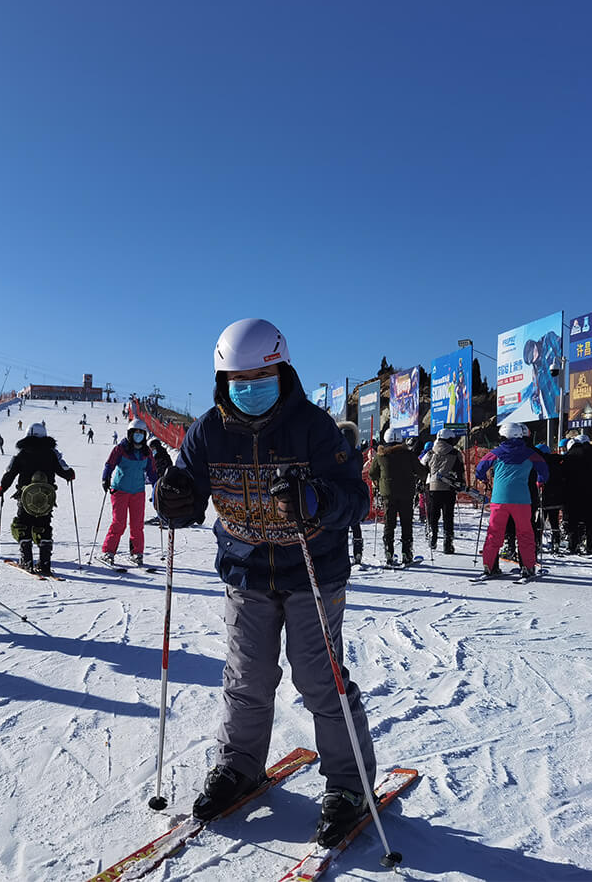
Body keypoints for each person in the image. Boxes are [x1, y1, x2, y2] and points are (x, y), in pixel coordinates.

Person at [153, 318, 376, 847]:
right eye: (238, 379)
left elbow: (359, 499)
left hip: (312, 572)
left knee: (321, 680)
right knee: (246, 677)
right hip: (245, 571)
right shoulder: (208, 430)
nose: (249, 387)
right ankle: (239, 766)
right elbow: (187, 493)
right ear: (222, 380)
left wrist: (317, 500)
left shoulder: (314, 428)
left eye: (261, 375)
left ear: (282, 370)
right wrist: (175, 500)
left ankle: (348, 785)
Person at [474, 422, 550, 579]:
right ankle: (528, 567)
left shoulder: (496, 452)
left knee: (494, 533)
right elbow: (543, 469)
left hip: (499, 499)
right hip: (522, 500)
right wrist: (540, 481)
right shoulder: (530, 453)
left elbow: (480, 468)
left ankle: (489, 566)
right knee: (525, 533)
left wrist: (483, 479)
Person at [0, 421, 75, 575]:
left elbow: (10, 473)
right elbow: (65, 471)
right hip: (46, 498)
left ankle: (27, 561)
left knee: (23, 525)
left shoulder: (22, 454)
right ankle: (45, 563)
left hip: (25, 498)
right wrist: (70, 474)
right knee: (44, 526)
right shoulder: (52, 453)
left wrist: (2, 487)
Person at [99, 418, 158, 567]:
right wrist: (105, 478)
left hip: (138, 492)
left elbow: (152, 472)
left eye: (141, 433)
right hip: (120, 490)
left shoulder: (146, 452)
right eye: (135, 433)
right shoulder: (121, 449)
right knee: (119, 522)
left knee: (137, 524)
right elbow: (110, 464)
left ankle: (137, 553)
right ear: (130, 434)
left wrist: (156, 487)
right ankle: (108, 551)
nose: (138, 436)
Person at [369, 428, 428, 566]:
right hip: (406, 492)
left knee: (389, 523)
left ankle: (389, 553)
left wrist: (379, 483)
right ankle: (406, 553)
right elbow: (421, 471)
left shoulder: (381, 455)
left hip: (388, 493)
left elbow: (372, 473)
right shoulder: (408, 454)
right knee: (406, 522)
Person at [423, 428, 465, 553]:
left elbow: (423, 468)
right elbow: (460, 471)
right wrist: (461, 484)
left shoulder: (430, 453)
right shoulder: (455, 453)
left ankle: (432, 537)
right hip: (449, 488)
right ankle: (448, 543)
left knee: (433, 514)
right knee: (448, 516)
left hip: (432, 487)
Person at [563, 434, 592, 555]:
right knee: (591, 519)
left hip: (573, 491)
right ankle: (591, 544)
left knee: (573, 520)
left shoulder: (570, 456)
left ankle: (573, 544)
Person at [337, 421, 367, 564]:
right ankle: (358, 552)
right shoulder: (357, 454)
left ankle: (340, 553)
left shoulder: (336, 454)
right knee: (355, 523)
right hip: (356, 490)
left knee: (340, 524)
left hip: (340, 491)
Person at [536, 443, 567, 553]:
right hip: (557, 497)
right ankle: (556, 542)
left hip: (543, 497)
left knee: (540, 521)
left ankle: (537, 542)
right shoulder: (558, 463)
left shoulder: (539, 463)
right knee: (554, 520)